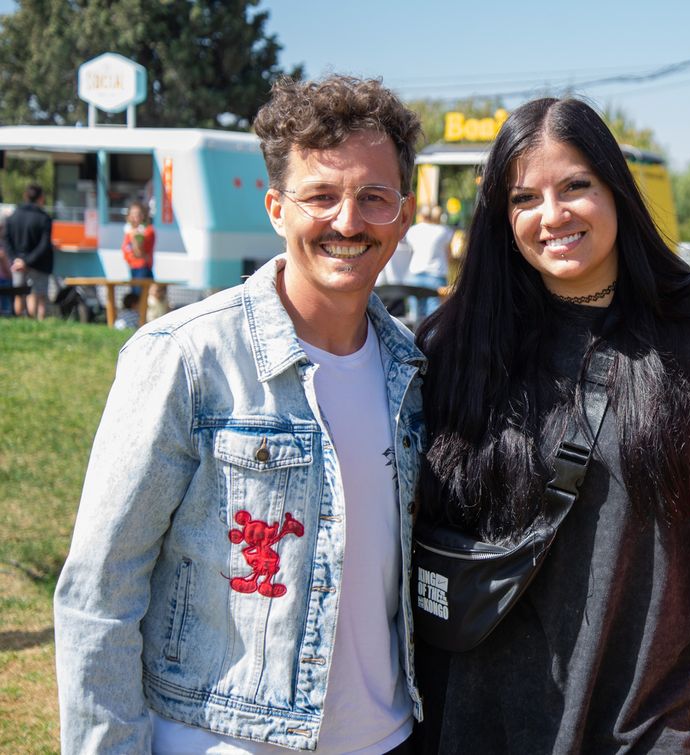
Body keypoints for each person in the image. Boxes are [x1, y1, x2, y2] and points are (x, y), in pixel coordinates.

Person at [54, 74, 427, 753]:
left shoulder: (413, 369)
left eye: (374, 198)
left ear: (403, 215)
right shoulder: (186, 358)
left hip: (388, 737)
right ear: (277, 209)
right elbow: (99, 595)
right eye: (321, 196)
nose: (348, 222)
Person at [414, 97, 690, 753]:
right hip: (480, 725)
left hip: (650, 728)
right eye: (524, 198)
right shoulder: (454, 347)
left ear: (616, 190)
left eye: (575, 186)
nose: (551, 215)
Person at [4, 183, 54, 320]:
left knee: (19, 294)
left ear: (25, 196)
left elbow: (6, 241)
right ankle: (37, 324)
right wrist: (27, 261)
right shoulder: (44, 218)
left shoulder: (13, 217)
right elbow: (44, 245)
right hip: (38, 264)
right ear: (41, 198)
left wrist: (16, 260)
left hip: (17, 264)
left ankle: (20, 322)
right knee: (37, 294)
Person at [402, 204, 453, 319]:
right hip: (436, 275)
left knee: (415, 316)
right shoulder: (444, 231)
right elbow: (449, 254)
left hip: (415, 274)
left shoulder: (412, 231)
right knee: (434, 316)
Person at [121, 200, 156, 293]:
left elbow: (139, 253)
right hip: (133, 268)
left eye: (137, 214)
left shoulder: (146, 231)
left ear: (143, 216)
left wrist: (133, 237)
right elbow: (126, 250)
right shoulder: (129, 231)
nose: (134, 218)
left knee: (140, 297)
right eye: (132, 214)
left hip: (142, 269)